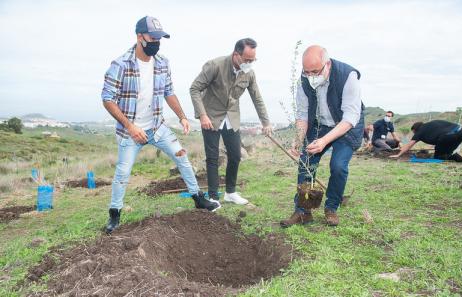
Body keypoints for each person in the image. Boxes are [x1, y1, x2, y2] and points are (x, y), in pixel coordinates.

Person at [101, 16, 219, 234]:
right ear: (139, 37)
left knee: (182, 157)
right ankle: (114, 215)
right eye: (153, 38)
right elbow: (107, 98)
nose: (157, 42)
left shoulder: (163, 62)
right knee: (123, 172)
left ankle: (198, 198)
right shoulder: (120, 64)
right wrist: (130, 127)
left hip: (157, 127)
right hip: (131, 132)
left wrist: (182, 116)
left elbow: (169, 92)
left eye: (159, 38)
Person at [280, 45, 364, 228]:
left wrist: (325, 141)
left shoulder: (348, 76)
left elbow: (350, 117)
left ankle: (331, 208)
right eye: (306, 71)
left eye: (315, 71)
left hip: (345, 126)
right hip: (320, 125)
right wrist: (298, 139)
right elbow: (302, 115)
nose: (311, 76)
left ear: (327, 64)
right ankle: (303, 211)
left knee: (338, 166)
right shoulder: (303, 81)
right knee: (306, 162)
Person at [190, 38, 272, 206]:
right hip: (211, 117)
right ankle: (213, 197)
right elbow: (194, 89)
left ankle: (230, 192)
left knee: (235, 155)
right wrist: (202, 115)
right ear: (236, 55)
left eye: (253, 60)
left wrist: (266, 122)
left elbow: (257, 98)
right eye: (247, 59)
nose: (249, 63)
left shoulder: (248, 73)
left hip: (232, 117)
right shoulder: (215, 65)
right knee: (212, 158)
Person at [390, 120, 462, 161]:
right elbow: (440, 133)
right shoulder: (431, 124)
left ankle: (453, 157)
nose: (414, 134)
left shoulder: (420, 131)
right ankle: (452, 155)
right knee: (446, 150)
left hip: (449, 136)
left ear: (415, 130)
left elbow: (409, 145)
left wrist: (398, 155)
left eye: (413, 132)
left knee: (438, 157)